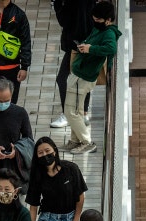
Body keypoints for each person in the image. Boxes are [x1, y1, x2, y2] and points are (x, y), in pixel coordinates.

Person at [60, 1, 122, 154]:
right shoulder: (100, 29)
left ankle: (87, 142)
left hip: (83, 76)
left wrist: (90, 48)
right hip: (81, 74)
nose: (95, 22)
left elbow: (111, 48)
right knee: (77, 111)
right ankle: (75, 140)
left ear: (108, 19)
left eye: (98, 20)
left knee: (70, 111)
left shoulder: (108, 33)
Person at [50, 0, 96, 128]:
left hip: (77, 44)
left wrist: (58, 4)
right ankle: (83, 113)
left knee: (62, 78)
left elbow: (64, 20)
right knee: (84, 77)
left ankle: (68, 114)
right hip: (86, 42)